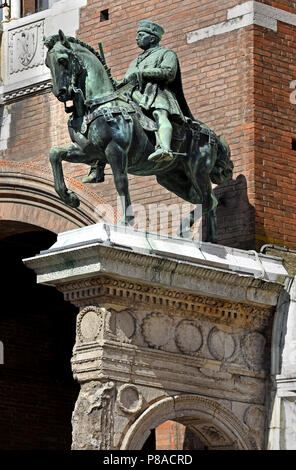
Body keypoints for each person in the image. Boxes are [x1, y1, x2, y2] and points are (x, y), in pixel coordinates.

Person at [82, 20, 193, 183]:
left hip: (157, 93)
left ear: (153, 38)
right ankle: (97, 164)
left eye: (141, 35)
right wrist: (111, 80)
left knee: (159, 114)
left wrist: (142, 73)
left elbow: (169, 72)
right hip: (134, 96)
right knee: (111, 120)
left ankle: (165, 148)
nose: (137, 39)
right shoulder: (135, 61)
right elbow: (127, 82)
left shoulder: (166, 54)